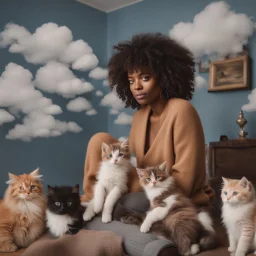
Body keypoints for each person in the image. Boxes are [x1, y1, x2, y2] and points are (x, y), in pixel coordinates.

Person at [81, 33, 215, 207]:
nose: (137, 86)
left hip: (174, 191)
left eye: (145, 78)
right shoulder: (140, 115)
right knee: (99, 139)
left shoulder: (182, 110)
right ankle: (93, 199)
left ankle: (114, 202)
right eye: (131, 80)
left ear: (164, 77)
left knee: (135, 200)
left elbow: (184, 181)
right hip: (144, 183)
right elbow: (129, 162)